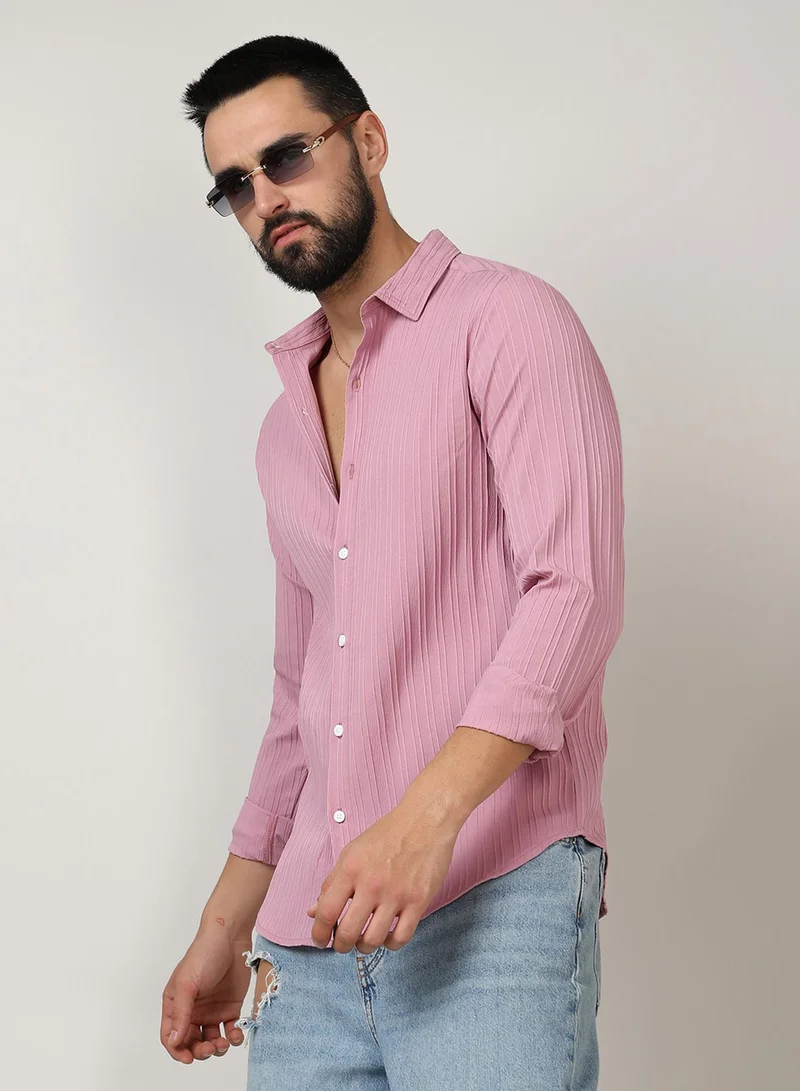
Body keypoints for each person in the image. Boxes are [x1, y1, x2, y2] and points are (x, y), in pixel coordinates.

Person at [161, 34, 625, 1089]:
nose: (265, 199)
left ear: (367, 141)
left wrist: (424, 822)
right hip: (310, 939)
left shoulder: (507, 321)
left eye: (287, 156)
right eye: (234, 186)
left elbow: (575, 591)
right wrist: (223, 923)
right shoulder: (283, 428)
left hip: (494, 892)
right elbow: (299, 699)